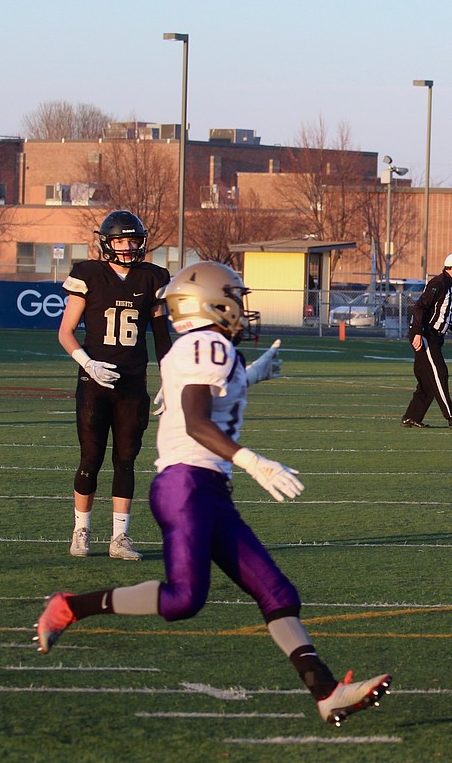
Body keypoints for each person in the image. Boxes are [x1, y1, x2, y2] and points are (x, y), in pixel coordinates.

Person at [35, 262, 391, 726]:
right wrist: (254, 461)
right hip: (187, 484)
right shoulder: (209, 345)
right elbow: (198, 419)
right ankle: (70, 607)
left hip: (206, 487)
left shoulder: (204, 345)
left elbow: (209, 391)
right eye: (234, 298)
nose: (242, 309)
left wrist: (254, 374)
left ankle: (325, 692)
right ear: (211, 302)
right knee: (185, 599)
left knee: (277, 592)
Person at [57, 210, 172, 561]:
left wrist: (169, 378)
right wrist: (87, 363)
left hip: (133, 384)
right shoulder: (88, 274)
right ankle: (82, 530)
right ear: (107, 242)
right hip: (94, 382)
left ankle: (119, 538)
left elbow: (162, 337)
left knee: (126, 459)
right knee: (90, 456)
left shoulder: (153, 278)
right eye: (120, 240)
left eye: (132, 240)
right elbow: (65, 332)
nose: (126, 247)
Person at [401, 252, 452, 429]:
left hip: (433, 335)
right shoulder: (438, 283)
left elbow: (441, 315)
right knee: (439, 372)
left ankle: (411, 417)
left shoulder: (450, 285)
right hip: (426, 334)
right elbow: (419, 308)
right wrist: (418, 332)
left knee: (427, 381)